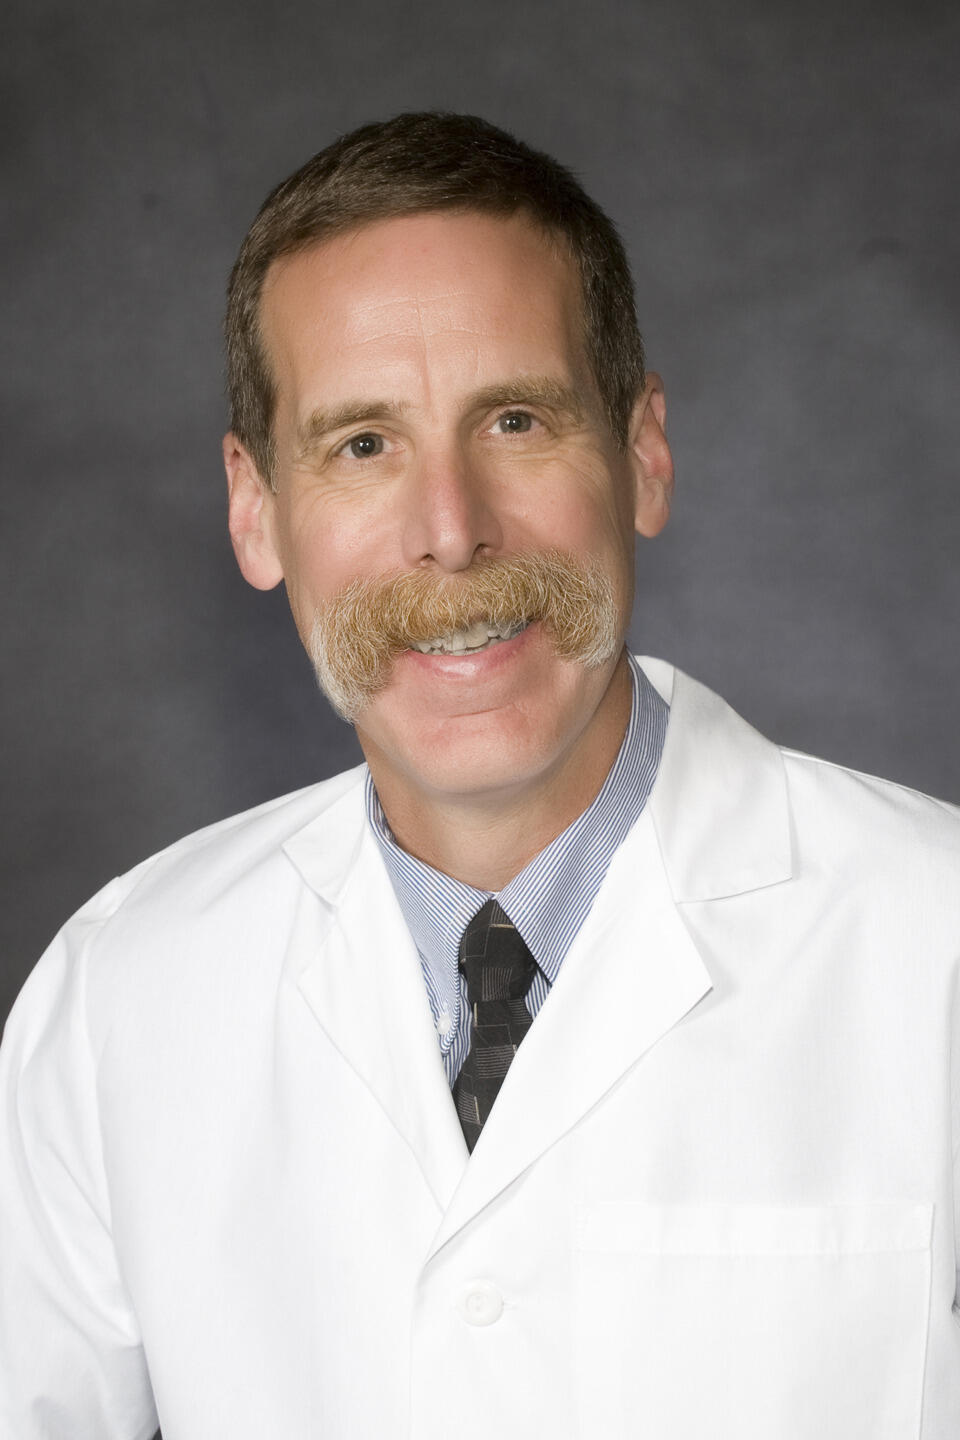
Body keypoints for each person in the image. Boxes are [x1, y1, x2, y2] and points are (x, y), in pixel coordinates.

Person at [1, 110, 958, 1440]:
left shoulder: (934, 942)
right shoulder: (120, 998)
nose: (452, 532)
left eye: (515, 419)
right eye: (363, 444)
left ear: (643, 454)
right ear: (255, 510)